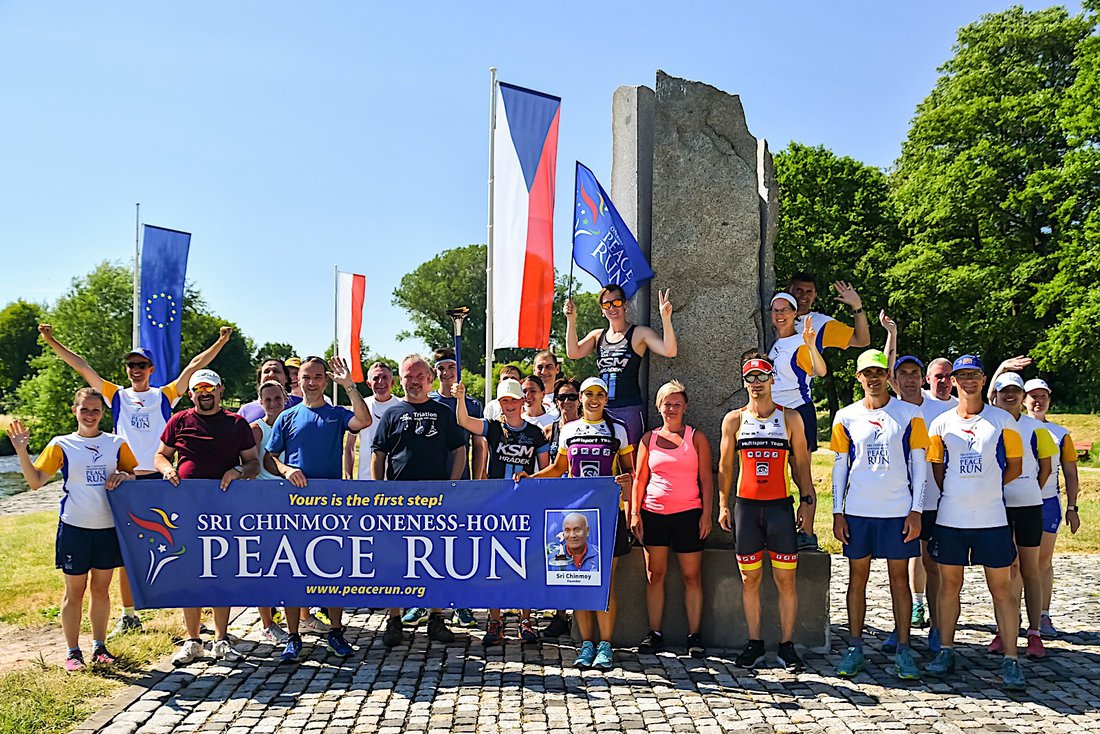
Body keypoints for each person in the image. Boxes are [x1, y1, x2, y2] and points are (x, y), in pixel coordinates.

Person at [38, 323, 232, 637]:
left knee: (178, 542)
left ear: (151, 369)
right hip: (125, 482)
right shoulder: (115, 395)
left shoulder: (164, 394)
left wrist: (221, 341)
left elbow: (195, 365)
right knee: (127, 551)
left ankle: (193, 615)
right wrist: (51, 340)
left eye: (141, 365)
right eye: (131, 365)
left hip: (160, 478)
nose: (135, 370)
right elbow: (82, 366)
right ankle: (128, 615)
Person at [9, 390, 137, 671]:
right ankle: (73, 652)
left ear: (102, 413)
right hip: (74, 528)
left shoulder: (116, 443)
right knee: (74, 591)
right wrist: (21, 451)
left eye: (95, 410)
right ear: (74, 410)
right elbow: (35, 482)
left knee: (101, 590)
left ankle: (99, 647)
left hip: (107, 528)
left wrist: (123, 476)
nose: (90, 415)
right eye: (84, 409)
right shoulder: (61, 444)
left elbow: (133, 475)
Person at [516, 377, 634, 671]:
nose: (594, 399)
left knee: (604, 582)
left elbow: (631, 471)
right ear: (580, 398)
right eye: (588, 394)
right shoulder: (569, 430)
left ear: (606, 399)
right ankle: (586, 644)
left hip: (609, 514)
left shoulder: (618, 429)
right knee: (580, 581)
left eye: (599, 394)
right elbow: (559, 468)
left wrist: (626, 482)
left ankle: (605, 645)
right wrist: (532, 478)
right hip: (578, 514)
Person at [924, 355, 1027, 690]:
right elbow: (937, 469)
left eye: (974, 375)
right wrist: (959, 491)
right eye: (962, 375)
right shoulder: (940, 423)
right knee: (948, 585)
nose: (968, 380)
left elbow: (1014, 466)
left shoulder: (1003, 421)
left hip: (992, 518)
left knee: (1002, 589)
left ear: (983, 380)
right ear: (953, 381)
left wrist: (988, 488)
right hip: (951, 518)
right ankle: (946, 650)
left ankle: (1011, 658)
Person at [263, 356, 371, 662]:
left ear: (325, 380)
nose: (311, 383)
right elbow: (270, 457)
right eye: (306, 377)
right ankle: (293, 636)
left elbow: (363, 421)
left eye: (317, 377)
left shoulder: (336, 414)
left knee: (333, 568)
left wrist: (349, 385)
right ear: (297, 380)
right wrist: (286, 470)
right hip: (296, 506)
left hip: (330, 505)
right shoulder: (287, 416)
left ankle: (335, 631)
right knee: (293, 569)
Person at [830, 349, 929, 681]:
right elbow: (840, 466)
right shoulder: (845, 416)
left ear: (888, 375)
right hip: (858, 512)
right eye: (867, 373)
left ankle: (904, 648)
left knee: (899, 581)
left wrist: (916, 510)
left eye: (878, 372)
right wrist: (838, 512)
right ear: (859, 377)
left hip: (897, 511)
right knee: (857, 579)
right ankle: (855, 647)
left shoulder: (910, 414)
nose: (873, 378)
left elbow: (920, 465)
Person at [718, 354, 816, 672]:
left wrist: (807, 501)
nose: (756, 383)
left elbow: (801, 464)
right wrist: (723, 504)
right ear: (743, 382)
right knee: (750, 579)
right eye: (750, 378)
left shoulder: (791, 418)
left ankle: (786, 646)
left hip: (779, 509)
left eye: (762, 376)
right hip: (747, 508)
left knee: (786, 580)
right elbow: (725, 467)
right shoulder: (734, 420)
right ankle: (755, 643)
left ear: (772, 379)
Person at [155, 369, 260, 665]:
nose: (205, 393)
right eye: (199, 389)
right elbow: (160, 455)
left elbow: (252, 463)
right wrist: (167, 469)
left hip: (224, 510)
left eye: (210, 388)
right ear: (191, 394)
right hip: (186, 508)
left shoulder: (236, 423)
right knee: (190, 572)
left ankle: (221, 639)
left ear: (220, 390)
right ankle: (193, 640)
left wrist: (238, 471)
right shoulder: (179, 421)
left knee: (220, 572)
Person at [372, 355, 467, 648]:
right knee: (395, 559)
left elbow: (459, 450)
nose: (414, 382)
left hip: (435, 499)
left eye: (419, 376)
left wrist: (452, 485)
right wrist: (379, 490)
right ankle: (394, 619)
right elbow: (379, 453)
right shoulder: (392, 413)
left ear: (429, 379)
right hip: (398, 498)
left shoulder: (443, 412)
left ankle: (436, 617)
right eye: (408, 377)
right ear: (401, 380)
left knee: (435, 558)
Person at [453, 379, 550, 645]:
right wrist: (460, 398)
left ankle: (525, 620)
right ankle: (495, 621)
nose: (509, 405)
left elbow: (547, 471)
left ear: (522, 401)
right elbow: (464, 421)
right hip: (495, 505)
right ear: (499, 403)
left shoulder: (535, 433)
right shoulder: (493, 428)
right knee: (493, 564)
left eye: (513, 400)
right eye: (504, 401)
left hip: (524, 507)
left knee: (525, 562)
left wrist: (531, 478)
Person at [881, 315, 957, 649]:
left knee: (933, 564)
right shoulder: (891, 409)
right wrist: (892, 334)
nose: (909, 379)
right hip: (898, 500)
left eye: (915, 373)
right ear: (894, 378)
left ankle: (938, 630)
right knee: (897, 570)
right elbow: (885, 365)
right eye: (903, 374)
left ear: (922, 378)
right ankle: (900, 631)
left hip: (934, 500)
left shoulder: (939, 410)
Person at [629, 380, 714, 658]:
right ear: (659, 407)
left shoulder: (696, 438)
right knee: (655, 575)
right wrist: (635, 513)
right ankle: (654, 633)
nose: (672, 409)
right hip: (654, 513)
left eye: (677, 404)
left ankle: (695, 635)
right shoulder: (649, 439)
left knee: (692, 576)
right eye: (667, 404)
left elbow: (706, 479)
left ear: (685, 407)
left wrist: (707, 514)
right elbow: (640, 479)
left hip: (689, 514)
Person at [988, 371, 1056, 659]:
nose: (1010, 395)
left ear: (1022, 396)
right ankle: (1004, 630)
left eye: (1015, 391)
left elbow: (1046, 468)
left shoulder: (1036, 428)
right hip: (996, 506)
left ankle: (1034, 632)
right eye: (1004, 391)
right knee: (1003, 571)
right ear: (996, 395)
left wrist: (1028, 490)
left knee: (1030, 570)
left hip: (1028, 505)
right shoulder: (988, 423)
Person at [564, 285, 677, 448]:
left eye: (616, 302)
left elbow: (669, 350)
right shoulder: (598, 335)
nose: (612, 308)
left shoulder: (639, 333)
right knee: (604, 453)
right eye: (606, 304)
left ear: (625, 305)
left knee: (629, 455)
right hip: (602, 409)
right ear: (602, 310)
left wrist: (666, 318)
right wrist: (571, 319)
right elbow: (573, 352)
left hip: (629, 408)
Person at [424, 347, 485, 629]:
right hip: (432, 482)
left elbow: (478, 445)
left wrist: (478, 479)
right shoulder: (428, 402)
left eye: (451, 368)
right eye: (441, 368)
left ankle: (462, 602)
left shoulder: (471, 404)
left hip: (462, 482)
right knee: (429, 544)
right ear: (434, 372)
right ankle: (426, 602)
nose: (446, 373)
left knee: (460, 544)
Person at [1023, 378, 1081, 637]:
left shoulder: (1060, 433)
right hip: (1018, 502)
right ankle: (1012, 614)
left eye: (1043, 396)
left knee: (1042, 561)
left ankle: (1043, 614)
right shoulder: (1011, 426)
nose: (1038, 401)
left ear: (1049, 399)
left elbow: (1071, 472)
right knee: (1015, 562)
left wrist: (1073, 507)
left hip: (1047, 502)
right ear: (1024, 400)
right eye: (1033, 396)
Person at [787, 273, 871, 444]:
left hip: (797, 403)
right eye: (798, 290)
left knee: (800, 460)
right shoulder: (775, 316)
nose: (803, 296)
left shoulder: (820, 323)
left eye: (809, 292)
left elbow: (862, 340)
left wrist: (857, 306)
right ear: (789, 291)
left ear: (815, 296)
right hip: (764, 402)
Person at [539, 377, 582, 639]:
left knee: (580, 559)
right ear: (555, 402)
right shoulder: (550, 430)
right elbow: (548, 466)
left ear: (580, 400)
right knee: (559, 558)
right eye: (562, 397)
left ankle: (581, 615)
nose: (567, 402)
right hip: (556, 502)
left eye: (572, 397)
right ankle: (560, 614)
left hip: (580, 502)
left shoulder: (585, 427)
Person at [766, 293, 828, 451]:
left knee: (801, 466)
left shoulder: (800, 342)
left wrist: (811, 346)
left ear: (795, 313)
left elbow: (820, 371)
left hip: (798, 410)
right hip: (775, 413)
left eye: (784, 310)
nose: (779, 315)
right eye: (776, 310)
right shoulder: (776, 343)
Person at [343, 361, 404, 479]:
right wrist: (348, 477)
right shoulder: (360, 406)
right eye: (376, 378)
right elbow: (350, 445)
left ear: (392, 382)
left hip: (396, 479)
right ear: (369, 383)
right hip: (366, 479)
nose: (380, 382)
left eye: (385, 377)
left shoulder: (402, 406)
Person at [237, 358, 303, 423]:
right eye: (266, 371)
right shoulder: (245, 411)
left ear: (286, 378)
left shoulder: (301, 405)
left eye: (276, 371)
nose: (271, 374)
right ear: (260, 379)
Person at [532, 351, 563, 418]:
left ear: (557, 369)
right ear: (534, 369)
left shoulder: (565, 397)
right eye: (540, 367)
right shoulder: (525, 398)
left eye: (548, 367)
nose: (544, 372)